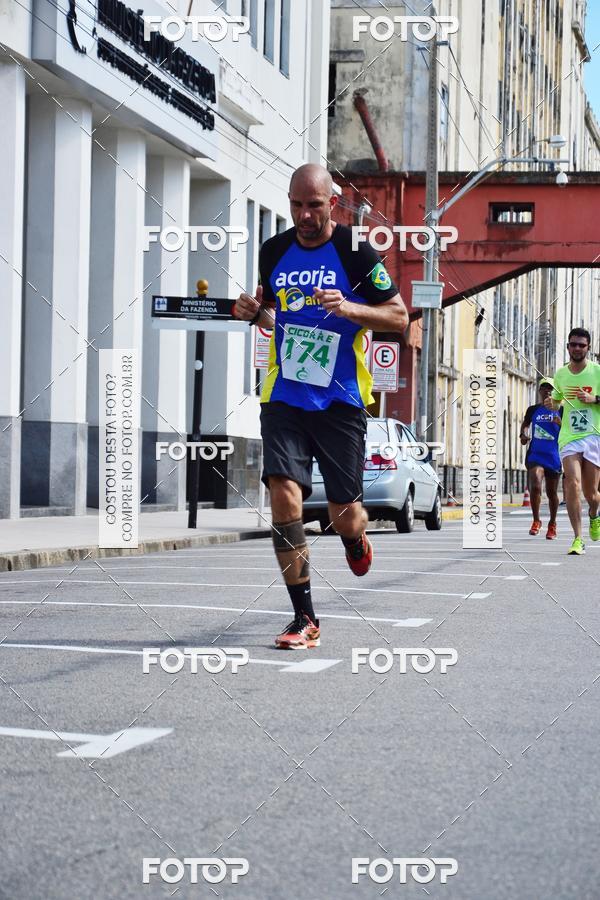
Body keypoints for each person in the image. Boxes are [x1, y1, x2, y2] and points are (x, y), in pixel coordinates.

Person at [234, 164, 408, 648]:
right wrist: (253, 313)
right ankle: (304, 618)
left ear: (333, 203)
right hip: (284, 394)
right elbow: (275, 316)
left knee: (343, 511)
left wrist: (349, 308)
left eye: (314, 205)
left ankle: (355, 538)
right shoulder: (275, 251)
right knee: (284, 497)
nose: (305, 215)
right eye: (297, 205)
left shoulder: (355, 250)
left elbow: (399, 317)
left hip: (341, 399)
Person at [544, 328, 600, 555]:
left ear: (588, 348)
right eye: (573, 344)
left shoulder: (597, 372)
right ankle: (578, 538)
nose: (577, 348)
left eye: (582, 345)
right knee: (572, 484)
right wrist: (552, 404)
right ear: (567, 347)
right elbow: (557, 401)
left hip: (594, 436)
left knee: (592, 494)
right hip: (569, 437)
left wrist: (593, 399)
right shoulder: (561, 374)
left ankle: (594, 515)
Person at [519, 379, 561, 539]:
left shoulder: (561, 409)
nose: (547, 391)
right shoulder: (533, 409)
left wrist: (561, 423)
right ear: (540, 391)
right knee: (535, 484)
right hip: (535, 454)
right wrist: (523, 435)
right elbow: (525, 424)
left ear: (555, 392)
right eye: (543, 388)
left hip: (554, 456)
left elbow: (570, 430)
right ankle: (536, 520)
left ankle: (552, 523)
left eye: (550, 388)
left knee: (552, 493)